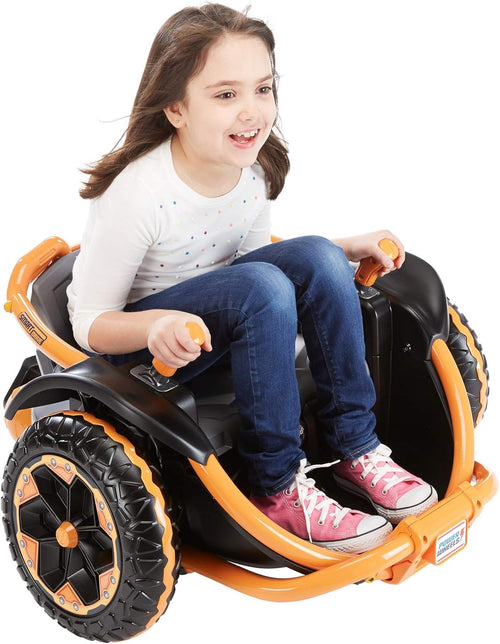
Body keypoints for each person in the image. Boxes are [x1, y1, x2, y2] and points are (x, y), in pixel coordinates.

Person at [67, 3, 437, 554]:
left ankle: (357, 447)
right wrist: (156, 327)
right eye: (225, 94)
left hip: (223, 321)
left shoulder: (252, 170)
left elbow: (255, 262)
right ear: (175, 107)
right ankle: (277, 487)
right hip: (147, 356)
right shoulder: (139, 195)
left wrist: (341, 251)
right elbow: (90, 324)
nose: (252, 112)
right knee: (261, 287)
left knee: (317, 257)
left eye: (263, 89)